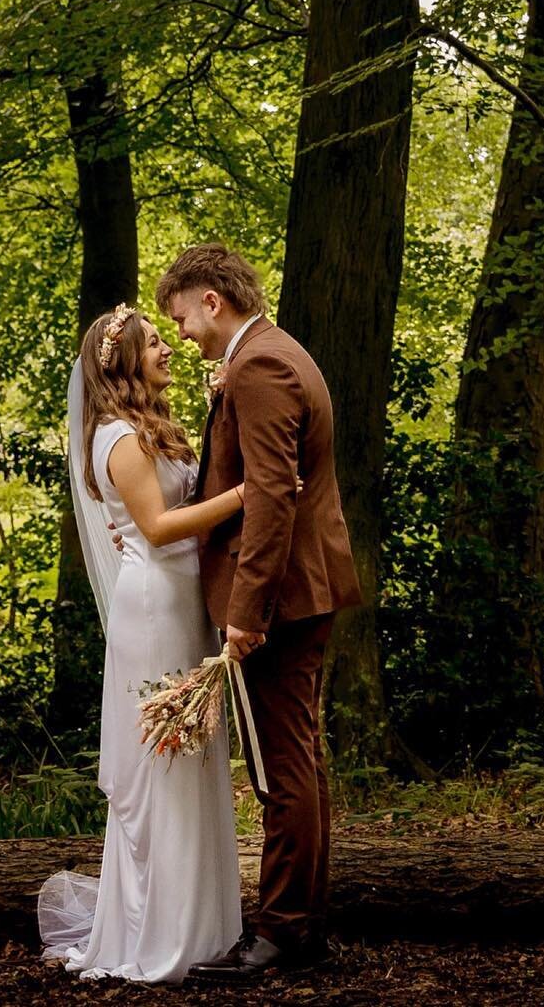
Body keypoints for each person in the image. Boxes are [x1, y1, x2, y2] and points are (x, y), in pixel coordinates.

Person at [156, 242, 363, 982]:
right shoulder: (272, 354)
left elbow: (274, 496)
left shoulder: (261, 366)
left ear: (212, 299)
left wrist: (247, 612)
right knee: (296, 760)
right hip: (299, 589)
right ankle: (299, 926)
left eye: (180, 317)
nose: (181, 334)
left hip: (281, 596)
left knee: (283, 770)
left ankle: (281, 934)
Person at [38, 304, 246, 984]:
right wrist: (248, 493)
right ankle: (163, 934)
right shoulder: (116, 438)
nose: (168, 348)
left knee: (193, 757)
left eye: (165, 337)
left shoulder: (151, 427)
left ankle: (200, 924)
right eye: (155, 343)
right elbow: (157, 527)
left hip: (183, 601)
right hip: (154, 605)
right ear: (125, 362)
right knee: (166, 766)